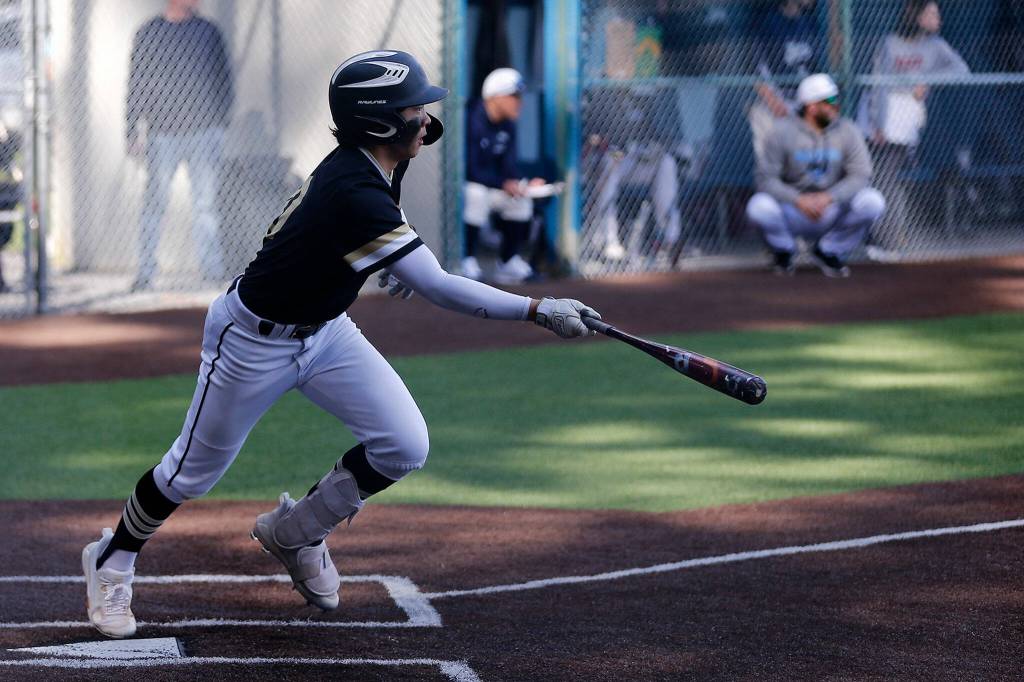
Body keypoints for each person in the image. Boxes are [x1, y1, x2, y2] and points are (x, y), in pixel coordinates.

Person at [81, 50, 602, 639]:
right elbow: (438, 286)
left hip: (326, 330)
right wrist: (537, 309)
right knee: (190, 474)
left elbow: (391, 196)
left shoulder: (381, 158)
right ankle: (112, 559)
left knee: (404, 443)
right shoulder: (354, 186)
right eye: (413, 108)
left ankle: (298, 531)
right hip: (251, 340)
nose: (426, 117)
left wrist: (383, 257)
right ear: (379, 122)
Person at [125, 0, 234, 291]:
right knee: (154, 204)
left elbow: (223, 77)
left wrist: (220, 124)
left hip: (203, 132)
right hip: (162, 133)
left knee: (205, 204)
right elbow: (136, 82)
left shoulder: (207, 31)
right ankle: (145, 272)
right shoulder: (149, 32)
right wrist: (131, 130)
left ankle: (212, 271)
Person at [857, 0, 968, 258]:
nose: (937, 19)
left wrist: (927, 80)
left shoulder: (936, 45)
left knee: (887, 178)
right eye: (930, 13)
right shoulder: (890, 43)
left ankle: (886, 240)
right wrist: (878, 124)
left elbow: (961, 69)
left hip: (907, 117)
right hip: (881, 114)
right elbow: (879, 86)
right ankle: (881, 239)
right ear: (915, 16)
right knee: (879, 177)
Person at [746, 73, 886, 278]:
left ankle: (829, 249)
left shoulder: (847, 129)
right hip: (794, 210)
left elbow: (861, 174)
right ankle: (784, 250)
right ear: (811, 106)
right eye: (829, 101)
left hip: (831, 209)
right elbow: (765, 179)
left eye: (835, 100)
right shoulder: (782, 131)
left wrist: (830, 197)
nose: (835, 105)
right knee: (758, 207)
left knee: (873, 201)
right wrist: (798, 199)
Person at [462, 67, 546, 284]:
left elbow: (509, 167)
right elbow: (469, 169)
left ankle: (507, 261)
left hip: (494, 186)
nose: (519, 102)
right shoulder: (471, 118)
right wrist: (503, 183)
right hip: (468, 187)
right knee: (476, 194)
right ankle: (467, 259)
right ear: (495, 97)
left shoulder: (508, 125)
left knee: (521, 199)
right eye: (513, 96)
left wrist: (521, 183)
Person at [749, 0, 825, 163]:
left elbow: (815, 71)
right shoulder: (766, 23)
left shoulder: (810, 23)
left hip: (804, 104)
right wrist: (774, 102)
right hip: (776, 103)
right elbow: (754, 69)